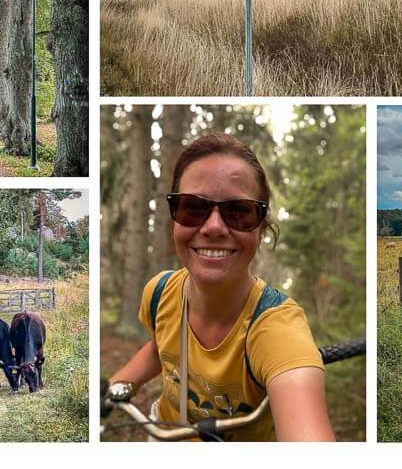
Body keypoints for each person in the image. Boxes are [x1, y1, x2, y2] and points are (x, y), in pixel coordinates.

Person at [106, 133, 335, 441]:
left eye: (238, 211)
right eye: (193, 208)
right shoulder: (159, 293)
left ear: (261, 226)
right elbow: (162, 348)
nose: (213, 227)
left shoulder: (277, 330)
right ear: (174, 218)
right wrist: (113, 389)